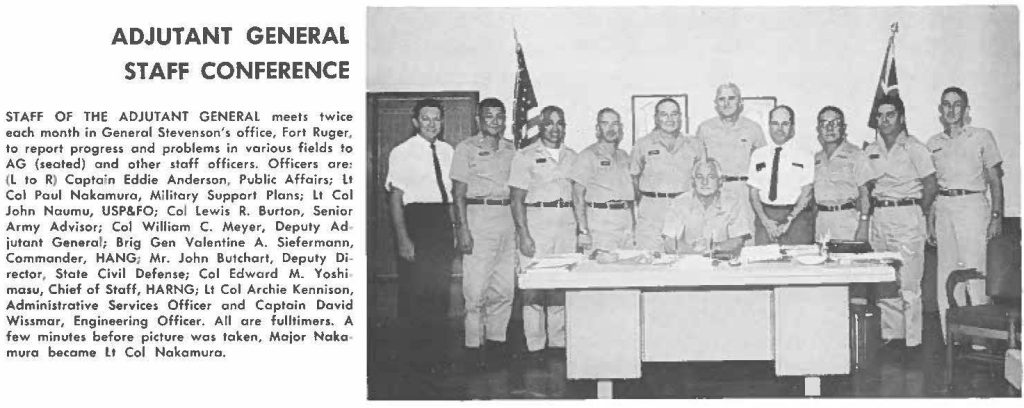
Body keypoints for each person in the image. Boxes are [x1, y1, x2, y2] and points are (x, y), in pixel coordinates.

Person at [925, 87, 1004, 339]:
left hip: (972, 206)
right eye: (946, 105)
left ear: (966, 109)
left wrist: (996, 216)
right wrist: (930, 221)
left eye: (957, 104)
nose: (951, 109)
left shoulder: (982, 137)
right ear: (940, 110)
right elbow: (933, 185)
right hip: (944, 208)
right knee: (947, 275)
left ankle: (982, 339)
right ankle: (952, 339)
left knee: (975, 271)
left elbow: (995, 181)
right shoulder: (933, 143)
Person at [385, 98, 456, 372]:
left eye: (436, 118)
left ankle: (437, 353)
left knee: (440, 291)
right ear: (415, 121)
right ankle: (413, 358)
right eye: (425, 118)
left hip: (441, 222)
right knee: (415, 291)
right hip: (416, 221)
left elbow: (451, 196)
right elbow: (395, 199)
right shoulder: (402, 152)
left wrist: (453, 229)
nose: (431, 124)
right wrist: (403, 238)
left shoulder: (448, 151)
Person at [864, 95, 938, 349]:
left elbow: (930, 185)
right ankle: (893, 338)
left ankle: (914, 343)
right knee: (886, 281)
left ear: (902, 118)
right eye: (880, 116)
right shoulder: (871, 150)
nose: (885, 120)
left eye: (890, 115)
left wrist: (918, 211)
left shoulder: (914, 147)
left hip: (907, 214)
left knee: (909, 284)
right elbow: (867, 185)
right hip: (880, 216)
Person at [450, 98, 516, 365]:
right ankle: (473, 347)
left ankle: (497, 343)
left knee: (504, 288)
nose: (495, 121)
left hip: (507, 218)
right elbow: (457, 194)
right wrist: (462, 230)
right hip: (478, 217)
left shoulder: (511, 149)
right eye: (489, 116)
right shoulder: (466, 149)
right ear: (479, 119)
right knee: (476, 288)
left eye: (500, 116)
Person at [508, 105, 577, 356]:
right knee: (534, 288)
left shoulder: (573, 156)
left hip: (566, 226)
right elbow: (516, 199)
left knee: (561, 286)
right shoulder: (525, 155)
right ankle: (535, 345)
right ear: (541, 125)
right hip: (537, 225)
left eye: (560, 123)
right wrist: (523, 233)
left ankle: (558, 343)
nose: (555, 128)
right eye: (549, 123)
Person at [630, 98, 705, 251]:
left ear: (681, 117)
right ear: (656, 118)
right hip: (652, 212)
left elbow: (702, 177)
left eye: (674, 114)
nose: (669, 119)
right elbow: (634, 178)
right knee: (649, 259)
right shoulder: (642, 144)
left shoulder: (695, 144)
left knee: (686, 258)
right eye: (664, 114)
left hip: (684, 209)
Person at [696, 83, 768, 232]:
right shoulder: (705, 128)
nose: (726, 103)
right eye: (722, 99)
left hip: (744, 192)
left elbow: (763, 167)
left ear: (740, 102)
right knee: (714, 236)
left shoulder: (753, 129)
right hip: (714, 191)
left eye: (731, 98)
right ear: (716, 104)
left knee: (745, 236)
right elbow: (699, 165)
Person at [747, 105, 815, 245]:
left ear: (792, 127)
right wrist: (765, 221)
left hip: (796, 218)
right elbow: (753, 192)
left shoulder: (805, 156)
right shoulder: (758, 155)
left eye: (785, 124)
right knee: (765, 263)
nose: (779, 128)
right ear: (769, 126)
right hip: (766, 217)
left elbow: (807, 192)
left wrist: (789, 220)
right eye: (775, 123)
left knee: (797, 263)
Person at [569, 108, 635, 251]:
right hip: (601, 223)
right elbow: (577, 196)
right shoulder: (587, 156)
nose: (611, 128)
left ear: (620, 128)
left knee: (628, 269)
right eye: (605, 124)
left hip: (625, 222)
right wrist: (583, 231)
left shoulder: (624, 156)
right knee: (602, 271)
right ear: (598, 129)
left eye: (615, 124)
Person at [662, 157, 751, 255]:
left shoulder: (732, 202)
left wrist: (713, 248)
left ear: (720, 181)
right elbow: (669, 243)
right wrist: (696, 252)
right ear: (693, 181)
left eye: (711, 177)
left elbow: (737, 240)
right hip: (688, 261)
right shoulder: (679, 203)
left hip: (721, 260)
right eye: (699, 177)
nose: (704, 182)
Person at [813, 106, 874, 242]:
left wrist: (863, 225)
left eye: (835, 123)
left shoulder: (857, 155)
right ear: (818, 129)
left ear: (843, 128)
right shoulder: (817, 158)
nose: (829, 128)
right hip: (822, 222)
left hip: (847, 222)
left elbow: (866, 194)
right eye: (824, 123)